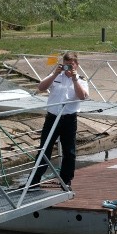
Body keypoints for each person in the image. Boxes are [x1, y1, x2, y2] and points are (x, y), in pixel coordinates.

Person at [28, 51, 89, 190]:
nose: (68, 68)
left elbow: (82, 97)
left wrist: (74, 79)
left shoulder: (81, 79)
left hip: (69, 118)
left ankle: (65, 181)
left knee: (69, 151)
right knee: (44, 149)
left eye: (71, 65)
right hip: (52, 118)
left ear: (77, 65)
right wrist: (55, 73)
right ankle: (34, 181)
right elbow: (41, 87)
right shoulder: (56, 76)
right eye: (66, 65)